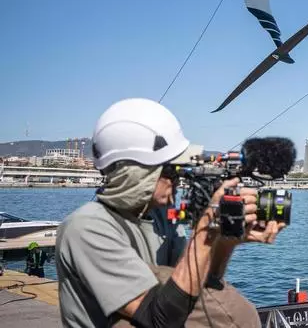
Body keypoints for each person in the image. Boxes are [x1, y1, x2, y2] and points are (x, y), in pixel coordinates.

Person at [55, 98, 286, 328]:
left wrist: (225, 240)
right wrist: (204, 230)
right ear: (138, 173)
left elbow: (194, 289)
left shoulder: (160, 217)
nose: (179, 181)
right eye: (173, 172)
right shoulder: (87, 227)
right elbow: (159, 318)